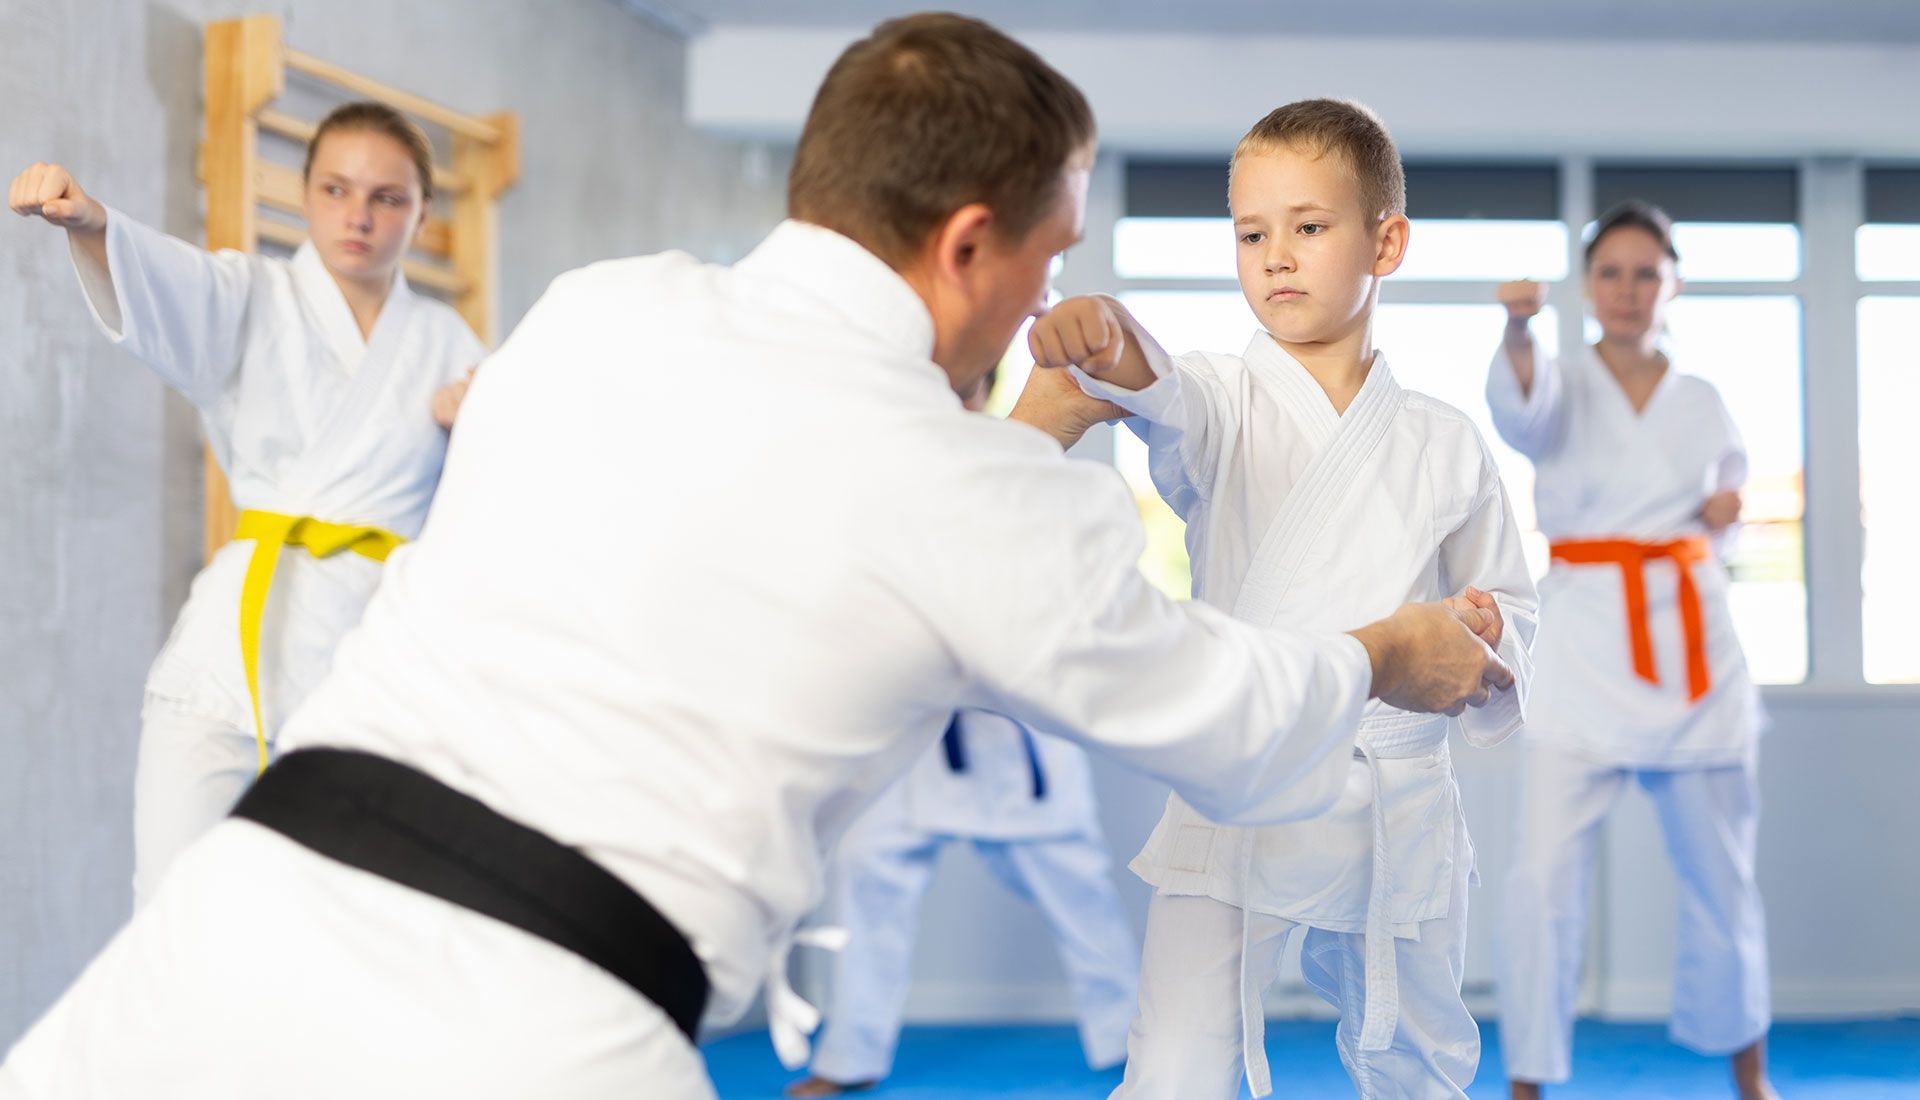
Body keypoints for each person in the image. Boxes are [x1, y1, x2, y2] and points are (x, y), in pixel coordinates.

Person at [0, 17, 1510, 1099]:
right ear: (969, 245)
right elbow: (1234, 729)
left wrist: (1017, 439)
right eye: (1049, 258)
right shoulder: (970, 493)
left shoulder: (598, 310)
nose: (1049, 297)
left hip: (221, 946)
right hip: (530, 1028)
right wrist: (1390, 652)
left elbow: (808, 485)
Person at [1018, 98, 1537, 1100]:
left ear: (1385, 241)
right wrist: (1105, 333)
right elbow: (1155, 386)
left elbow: (1509, 600)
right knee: (1176, 1064)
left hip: (1396, 784)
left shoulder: (1444, 438)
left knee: (1422, 1059)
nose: (1276, 256)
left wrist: (1486, 632)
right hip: (1242, 771)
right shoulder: (1224, 397)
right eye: (1252, 233)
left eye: (1308, 226)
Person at [5, 102, 483, 908]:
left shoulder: (452, 348)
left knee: (339, 929)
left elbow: (510, 505)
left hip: (368, 674)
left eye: (388, 198)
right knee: (174, 906)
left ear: (423, 212)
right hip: (230, 656)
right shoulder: (251, 293)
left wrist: (478, 423)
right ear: (305, 194)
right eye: (336, 189)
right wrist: (89, 226)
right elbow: (167, 281)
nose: (359, 216)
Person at [1488, 201, 1775, 1100]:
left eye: (1645, 273)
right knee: (1540, 883)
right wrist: (1518, 328)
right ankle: (1528, 1079)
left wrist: (1726, 519)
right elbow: (1519, 415)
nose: (1626, 290)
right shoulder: (1561, 378)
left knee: (1724, 880)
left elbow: (1725, 505)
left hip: (1693, 642)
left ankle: (1750, 1075)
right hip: (1585, 645)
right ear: (1586, 286)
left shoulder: (1703, 401)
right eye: (1610, 272)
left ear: (1672, 284)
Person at [788, 370, 1140, 1098]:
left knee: (1082, 897)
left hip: (1012, 727)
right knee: (869, 886)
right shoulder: (877, 461)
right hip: (911, 729)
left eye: (962, 383)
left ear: (981, 386)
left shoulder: (1022, 460)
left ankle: (1131, 1043)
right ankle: (849, 1055)